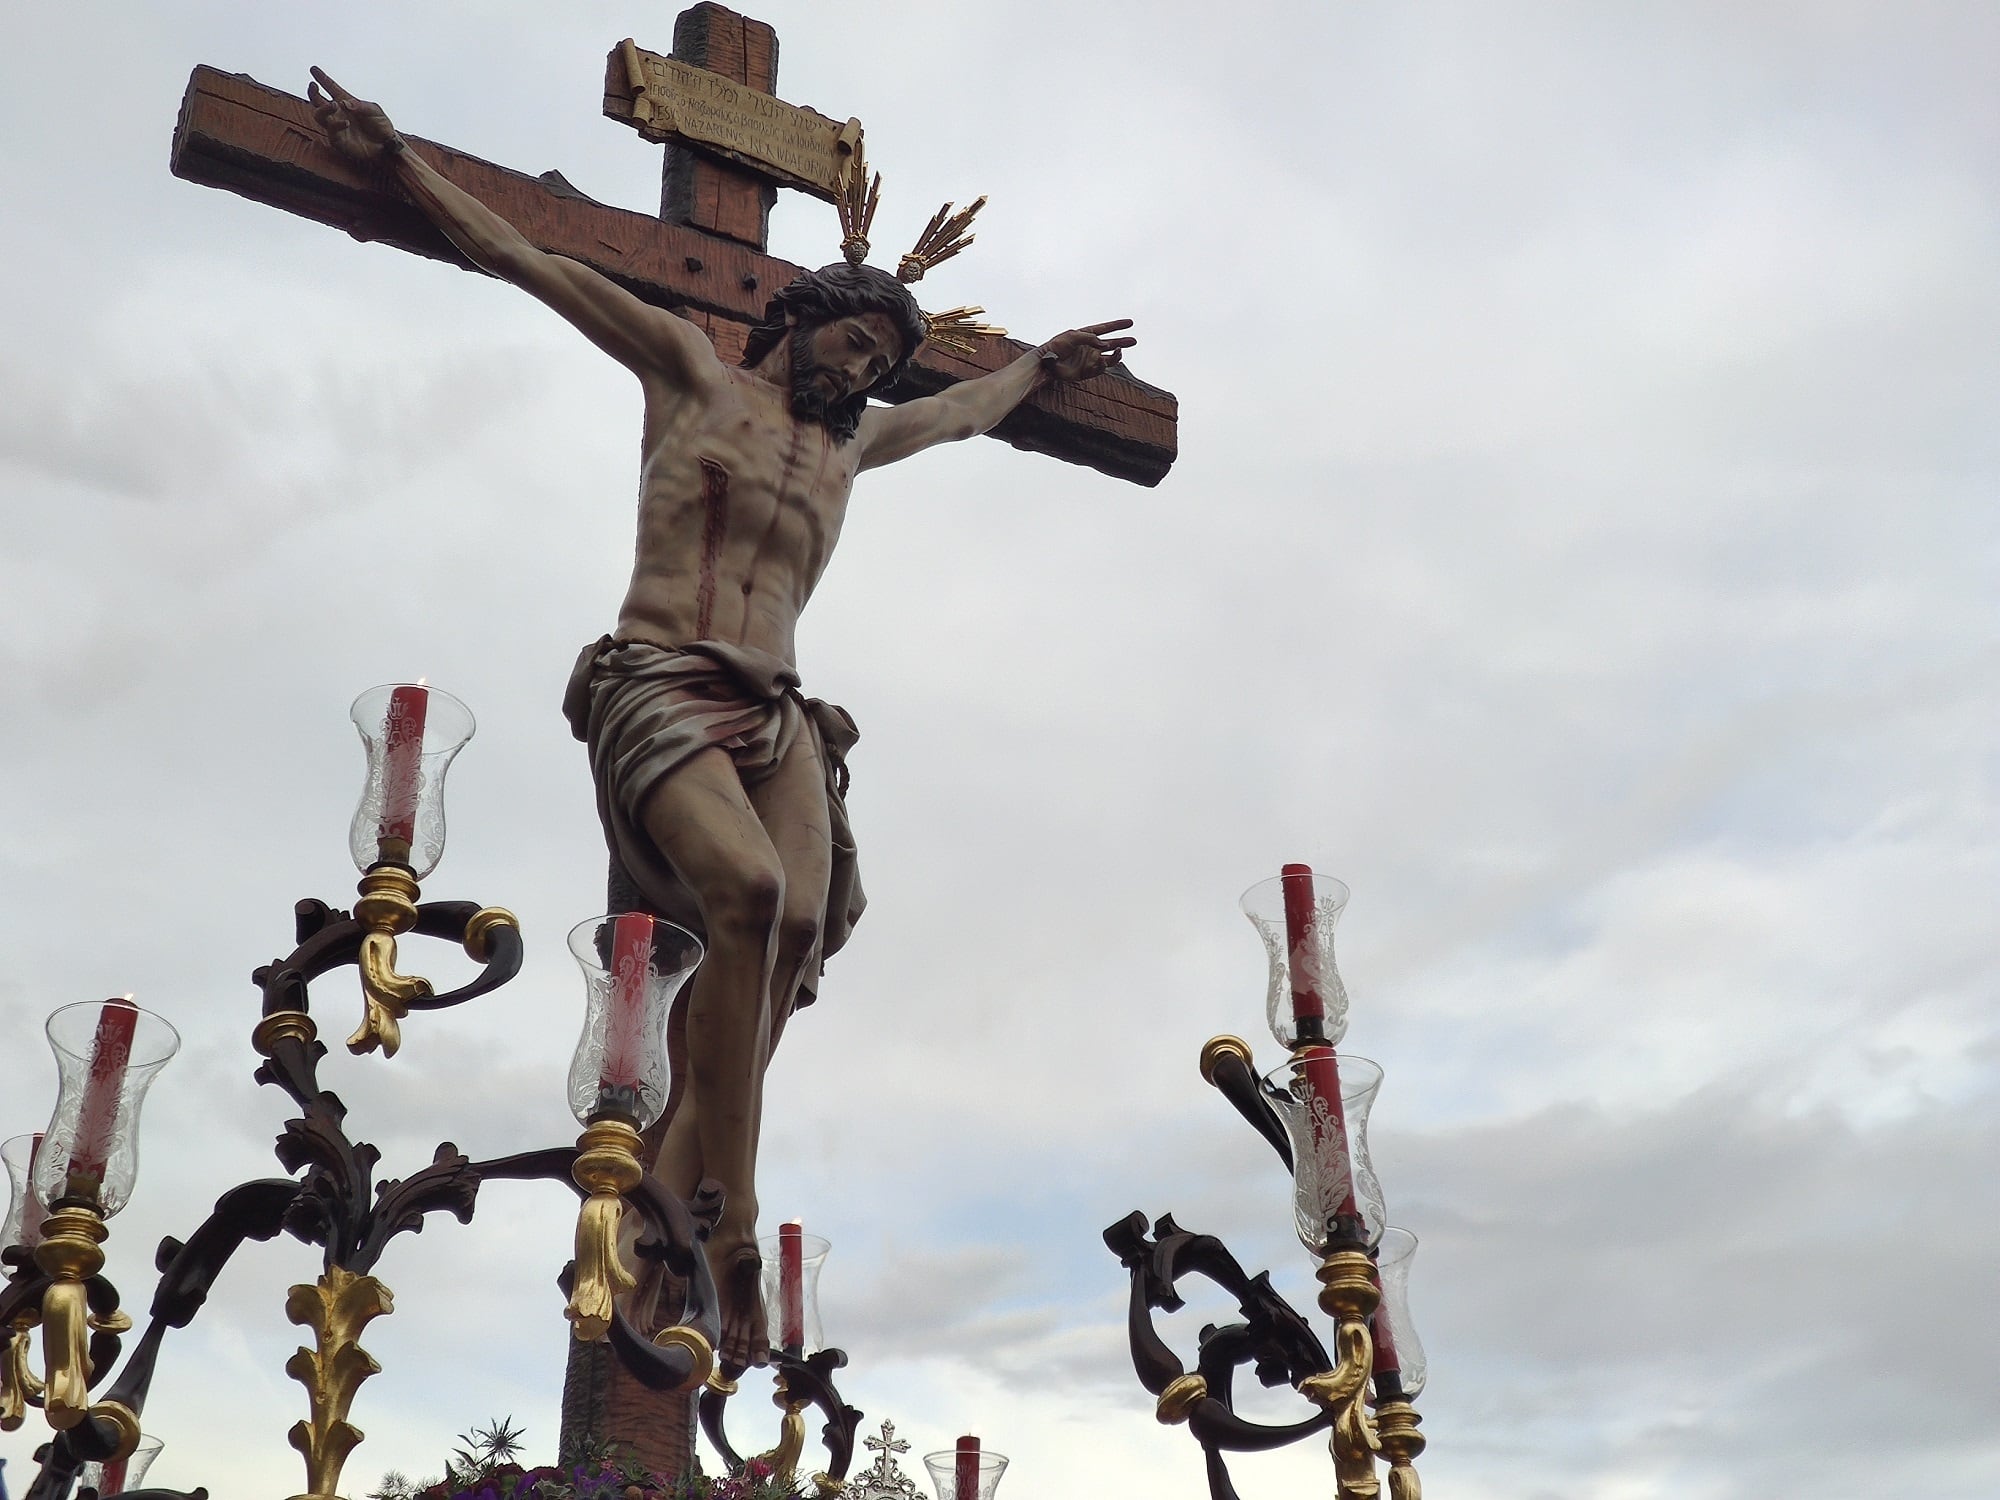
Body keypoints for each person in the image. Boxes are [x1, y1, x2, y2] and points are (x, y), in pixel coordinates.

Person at [307, 68, 1136, 1366]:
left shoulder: (849, 447)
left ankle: (672, 1184)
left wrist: (1039, 365)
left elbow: (965, 410)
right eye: (853, 345)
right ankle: (729, 1210)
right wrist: (399, 161)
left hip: (779, 709)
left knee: (797, 925)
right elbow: (533, 262)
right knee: (745, 892)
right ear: (796, 321)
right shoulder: (692, 375)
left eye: (880, 362)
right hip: (663, 678)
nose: (864, 371)